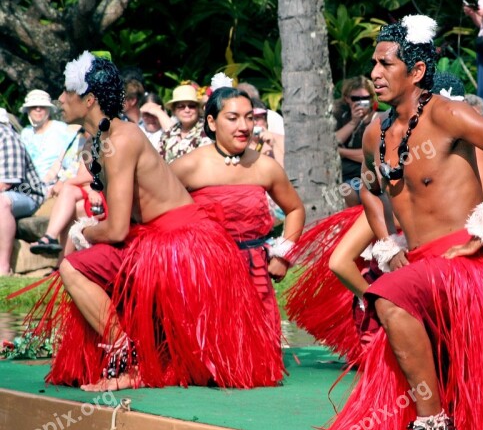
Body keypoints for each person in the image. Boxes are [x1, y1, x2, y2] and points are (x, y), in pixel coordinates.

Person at [308, 15, 483, 430]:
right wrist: (387, 241)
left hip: (466, 265)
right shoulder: (376, 131)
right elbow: (371, 186)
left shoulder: (448, 113)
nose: (374, 74)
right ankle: (438, 418)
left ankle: (433, 429)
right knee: (393, 288)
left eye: (385, 64)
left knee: (387, 295)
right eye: (373, 63)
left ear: (416, 71)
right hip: (421, 264)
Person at [23, 52, 280, 392]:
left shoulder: (120, 138)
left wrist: (82, 231)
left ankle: (124, 358)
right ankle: (136, 359)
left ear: (88, 100)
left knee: (72, 266)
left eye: (66, 92)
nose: (59, 99)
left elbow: (116, 230)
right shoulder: (102, 138)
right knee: (88, 266)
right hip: (161, 238)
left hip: (179, 246)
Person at [170, 84, 304, 379]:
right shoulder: (189, 166)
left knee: (257, 370)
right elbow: (154, 212)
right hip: (206, 274)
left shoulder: (265, 167)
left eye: (248, 117)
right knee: (211, 369)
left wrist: (283, 254)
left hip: (254, 270)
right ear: (211, 122)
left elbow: (295, 210)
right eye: (233, 118)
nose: (244, 126)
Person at [0, 111, 45, 275]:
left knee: (2, 202)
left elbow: (7, 183)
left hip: (27, 195)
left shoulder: (7, 138)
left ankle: (3, 268)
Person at [19, 90, 80, 193]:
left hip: (54, 183)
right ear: (28, 110)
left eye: (42, 106)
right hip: (27, 186)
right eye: (34, 106)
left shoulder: (61, 129)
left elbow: (73, 158)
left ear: (48, 109)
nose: (38, 109)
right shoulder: (25, 133)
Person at [333, 76, 379, 206]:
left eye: (365, 98)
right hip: (341, 176)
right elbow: (332, 142)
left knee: (345, 192)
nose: (360, 102)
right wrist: (353, 122)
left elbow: (372, 156)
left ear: (371, 99)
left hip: (366, 178)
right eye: (355, 99)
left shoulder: (378, 119)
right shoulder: (342, 116)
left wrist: (341, 152)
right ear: (347, 99)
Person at [157, 84, 211, 163]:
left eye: (191, 106)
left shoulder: (208, 130)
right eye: (181, 106)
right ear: (174, 110)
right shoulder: (168, 134)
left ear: (198, 109)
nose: (187, 110)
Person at [237, 82, 285, 167]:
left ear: (266, 121)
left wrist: (274, 145)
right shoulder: (239, 143)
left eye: (258, 118)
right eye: (251, 118)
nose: (255, 122)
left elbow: (287, 173)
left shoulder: (280, 140)